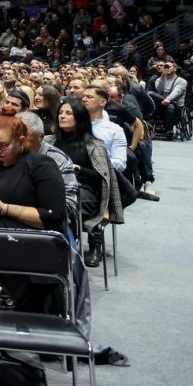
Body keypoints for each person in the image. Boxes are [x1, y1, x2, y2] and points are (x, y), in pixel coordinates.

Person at [0, 116, 67, 311]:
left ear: (21, 141)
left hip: (25, 232)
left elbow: (53, 217)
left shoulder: (42, 166)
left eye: (4, 145)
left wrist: (3, 208)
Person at [47, 98, 122, 267]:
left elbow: (102, 178)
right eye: (61, 112)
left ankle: (81, 245)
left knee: (64, 202)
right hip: (54, 187)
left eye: (68, 113)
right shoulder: (48, 141)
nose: (62, 116)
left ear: (80, 118)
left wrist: (78, 169)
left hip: (86, 192)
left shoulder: (94, 145)